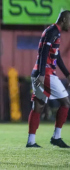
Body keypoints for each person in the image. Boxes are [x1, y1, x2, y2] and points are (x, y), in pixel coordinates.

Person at [27, 10, 70, 148]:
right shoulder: (53, 32)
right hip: (45, 73)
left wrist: (67, 74)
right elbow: (44, 52)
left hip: (38, 72)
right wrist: (41, 73)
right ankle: (56, 137)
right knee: (65, 102)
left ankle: (31, 141)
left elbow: (56, 57)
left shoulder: (51, 31)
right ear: (64, 19)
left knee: (38, 105)